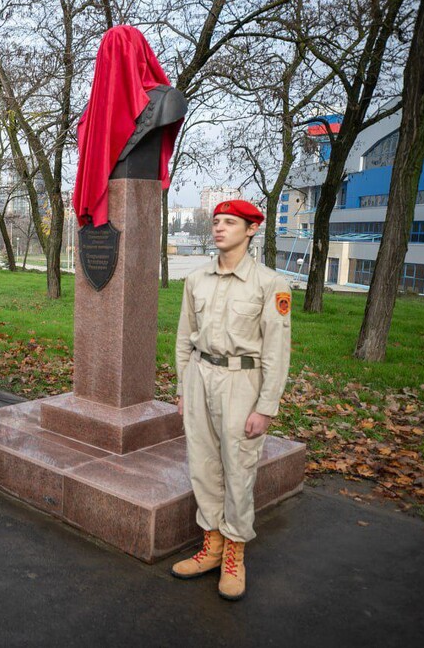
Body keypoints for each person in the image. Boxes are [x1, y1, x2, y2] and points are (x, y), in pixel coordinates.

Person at [171, 200, 292, 602]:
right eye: (217, 221)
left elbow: (276, 350)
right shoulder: (196, 280)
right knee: (202, 464)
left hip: (242, 382)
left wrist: (265, 406)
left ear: (252, 229)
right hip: (200, 377)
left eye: (230, 222)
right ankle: (212, 546)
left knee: (238, 470)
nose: (220, 228)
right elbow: (184, 337)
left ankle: (235, 552)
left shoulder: (270, 284)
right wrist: (183, 388)